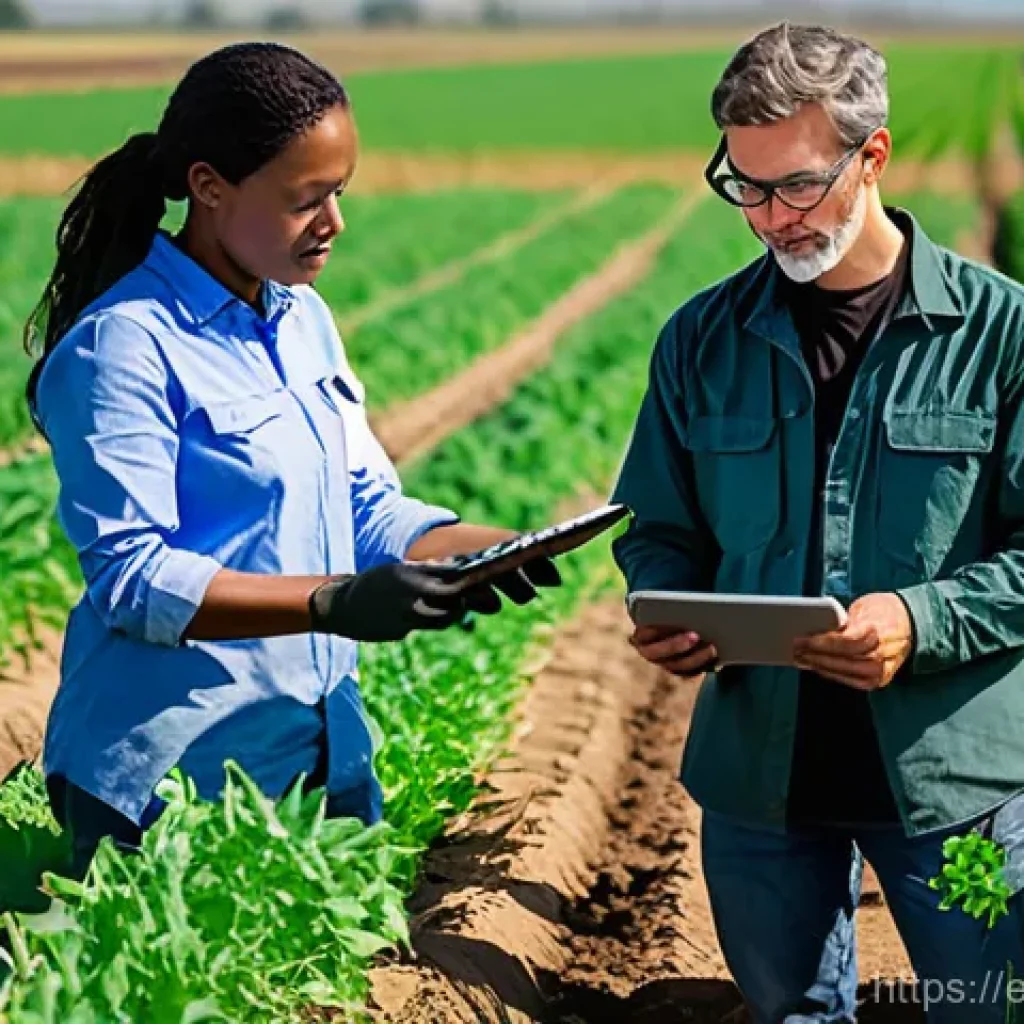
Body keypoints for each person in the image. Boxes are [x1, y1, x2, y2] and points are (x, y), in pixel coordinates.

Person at [24, 42, 559, 875]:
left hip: (319, 754)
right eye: (306, 199)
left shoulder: (302, 319)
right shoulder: (122, 347)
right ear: (209, 187)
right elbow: (133, 578)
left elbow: (362, 507)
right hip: (178, 777)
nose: (334, 223)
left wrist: (484, 550)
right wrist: (332, 602)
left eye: (338, 193)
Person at [611, 22, 1024, 1024]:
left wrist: (918, 621)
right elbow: (657, 526)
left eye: (794, 185)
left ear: (871, 156)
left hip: (952, 785)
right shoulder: (699, 339)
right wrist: (665, 606)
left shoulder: (1002, 332)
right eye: (742, 188)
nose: (767, 218)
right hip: (759, 785)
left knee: (987, 1010)